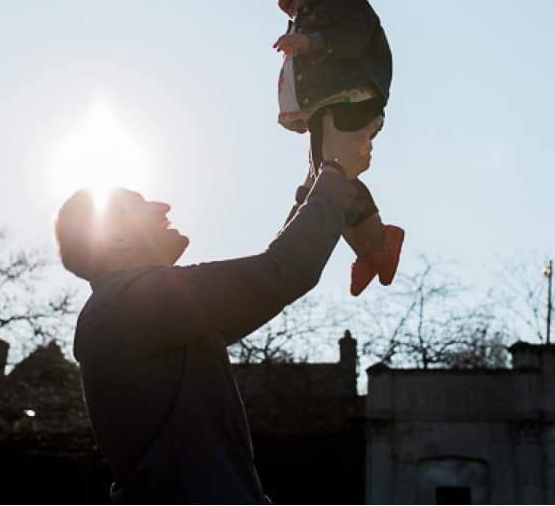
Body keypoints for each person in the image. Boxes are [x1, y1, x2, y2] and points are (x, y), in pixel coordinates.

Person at [53, 111, 378, 504]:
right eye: (140, 205)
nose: (162, 205)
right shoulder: (129, 304)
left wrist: (317, 182)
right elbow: (283, 271)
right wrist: (337, 172)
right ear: (118, 240)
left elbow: (272, 274)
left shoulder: (140, 314)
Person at [269, 0, 404, 297]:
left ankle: (373, 245)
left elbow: (353, 37)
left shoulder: (344, 4)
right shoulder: (302, 22)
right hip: (324, 107)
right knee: (323, 181)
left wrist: (313, 43)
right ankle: (374, 248)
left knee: (332, 176)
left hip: (352, 97)